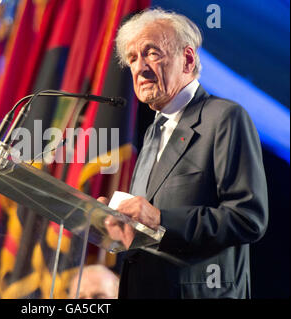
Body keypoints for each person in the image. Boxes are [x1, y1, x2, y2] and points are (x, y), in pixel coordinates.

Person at [98, 8, 268, 299]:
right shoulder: (154, 131)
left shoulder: (224, 118)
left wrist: (161, 218)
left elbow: (247, 218)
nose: (140, 68)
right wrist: (117, 220)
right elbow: (146, 226)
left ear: (187, 59)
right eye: (132, 58)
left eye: (151, 53)